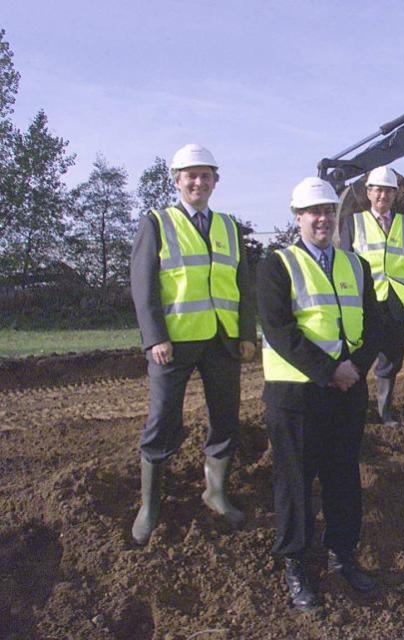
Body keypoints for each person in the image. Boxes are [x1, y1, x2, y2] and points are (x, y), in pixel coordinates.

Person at [258, 177, 383, 611]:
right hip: (296, 395)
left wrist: (355, 370)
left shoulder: (355, 266)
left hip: (346, 395)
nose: (323, 218)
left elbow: (374, 326)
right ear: (298, 218)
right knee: (295, 483)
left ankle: (342, 556)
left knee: (343, 478)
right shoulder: (278, 265)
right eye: (314, 212)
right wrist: (331, 370)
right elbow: (280, 331)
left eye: (329, 211)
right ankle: (295, 564)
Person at [129, 143, 256, 546]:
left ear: (215, 181)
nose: (198, 182)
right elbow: (143, 284)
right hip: (174, 342)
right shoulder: (158, 223)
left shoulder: (229, 226)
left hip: (221, 339)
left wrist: (247, 334)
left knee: (225, 418)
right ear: (177, 181)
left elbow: (242, 285)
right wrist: (154, 339)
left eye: (206, 175)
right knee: (163, 421)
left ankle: (215, 493)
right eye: (190, 176)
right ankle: (150, 507)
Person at [338, 166, 404, 428]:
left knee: (391, 359)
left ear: (395, 194)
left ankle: (384, 412)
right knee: (360, 357)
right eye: (378, 190)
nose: (383, 196)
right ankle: (354, 411)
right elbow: (344, 264)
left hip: (397, 301)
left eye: (388, 191)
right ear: (368, 192)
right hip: (366, 303)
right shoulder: (353, 223)